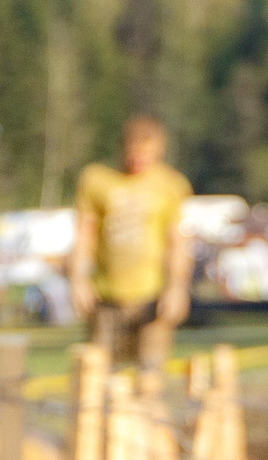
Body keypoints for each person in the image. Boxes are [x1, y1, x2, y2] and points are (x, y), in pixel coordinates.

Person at [71, 116, 195, 385]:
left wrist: (177, 287)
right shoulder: (96, 180)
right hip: (106, 298)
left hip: (151, 298)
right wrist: (78, 279)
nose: (140, 160)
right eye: (135, 152)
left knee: (149, 382)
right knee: (99, 381)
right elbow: (84, 235)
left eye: (149, 154)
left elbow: (178, 242)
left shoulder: (171, 185)